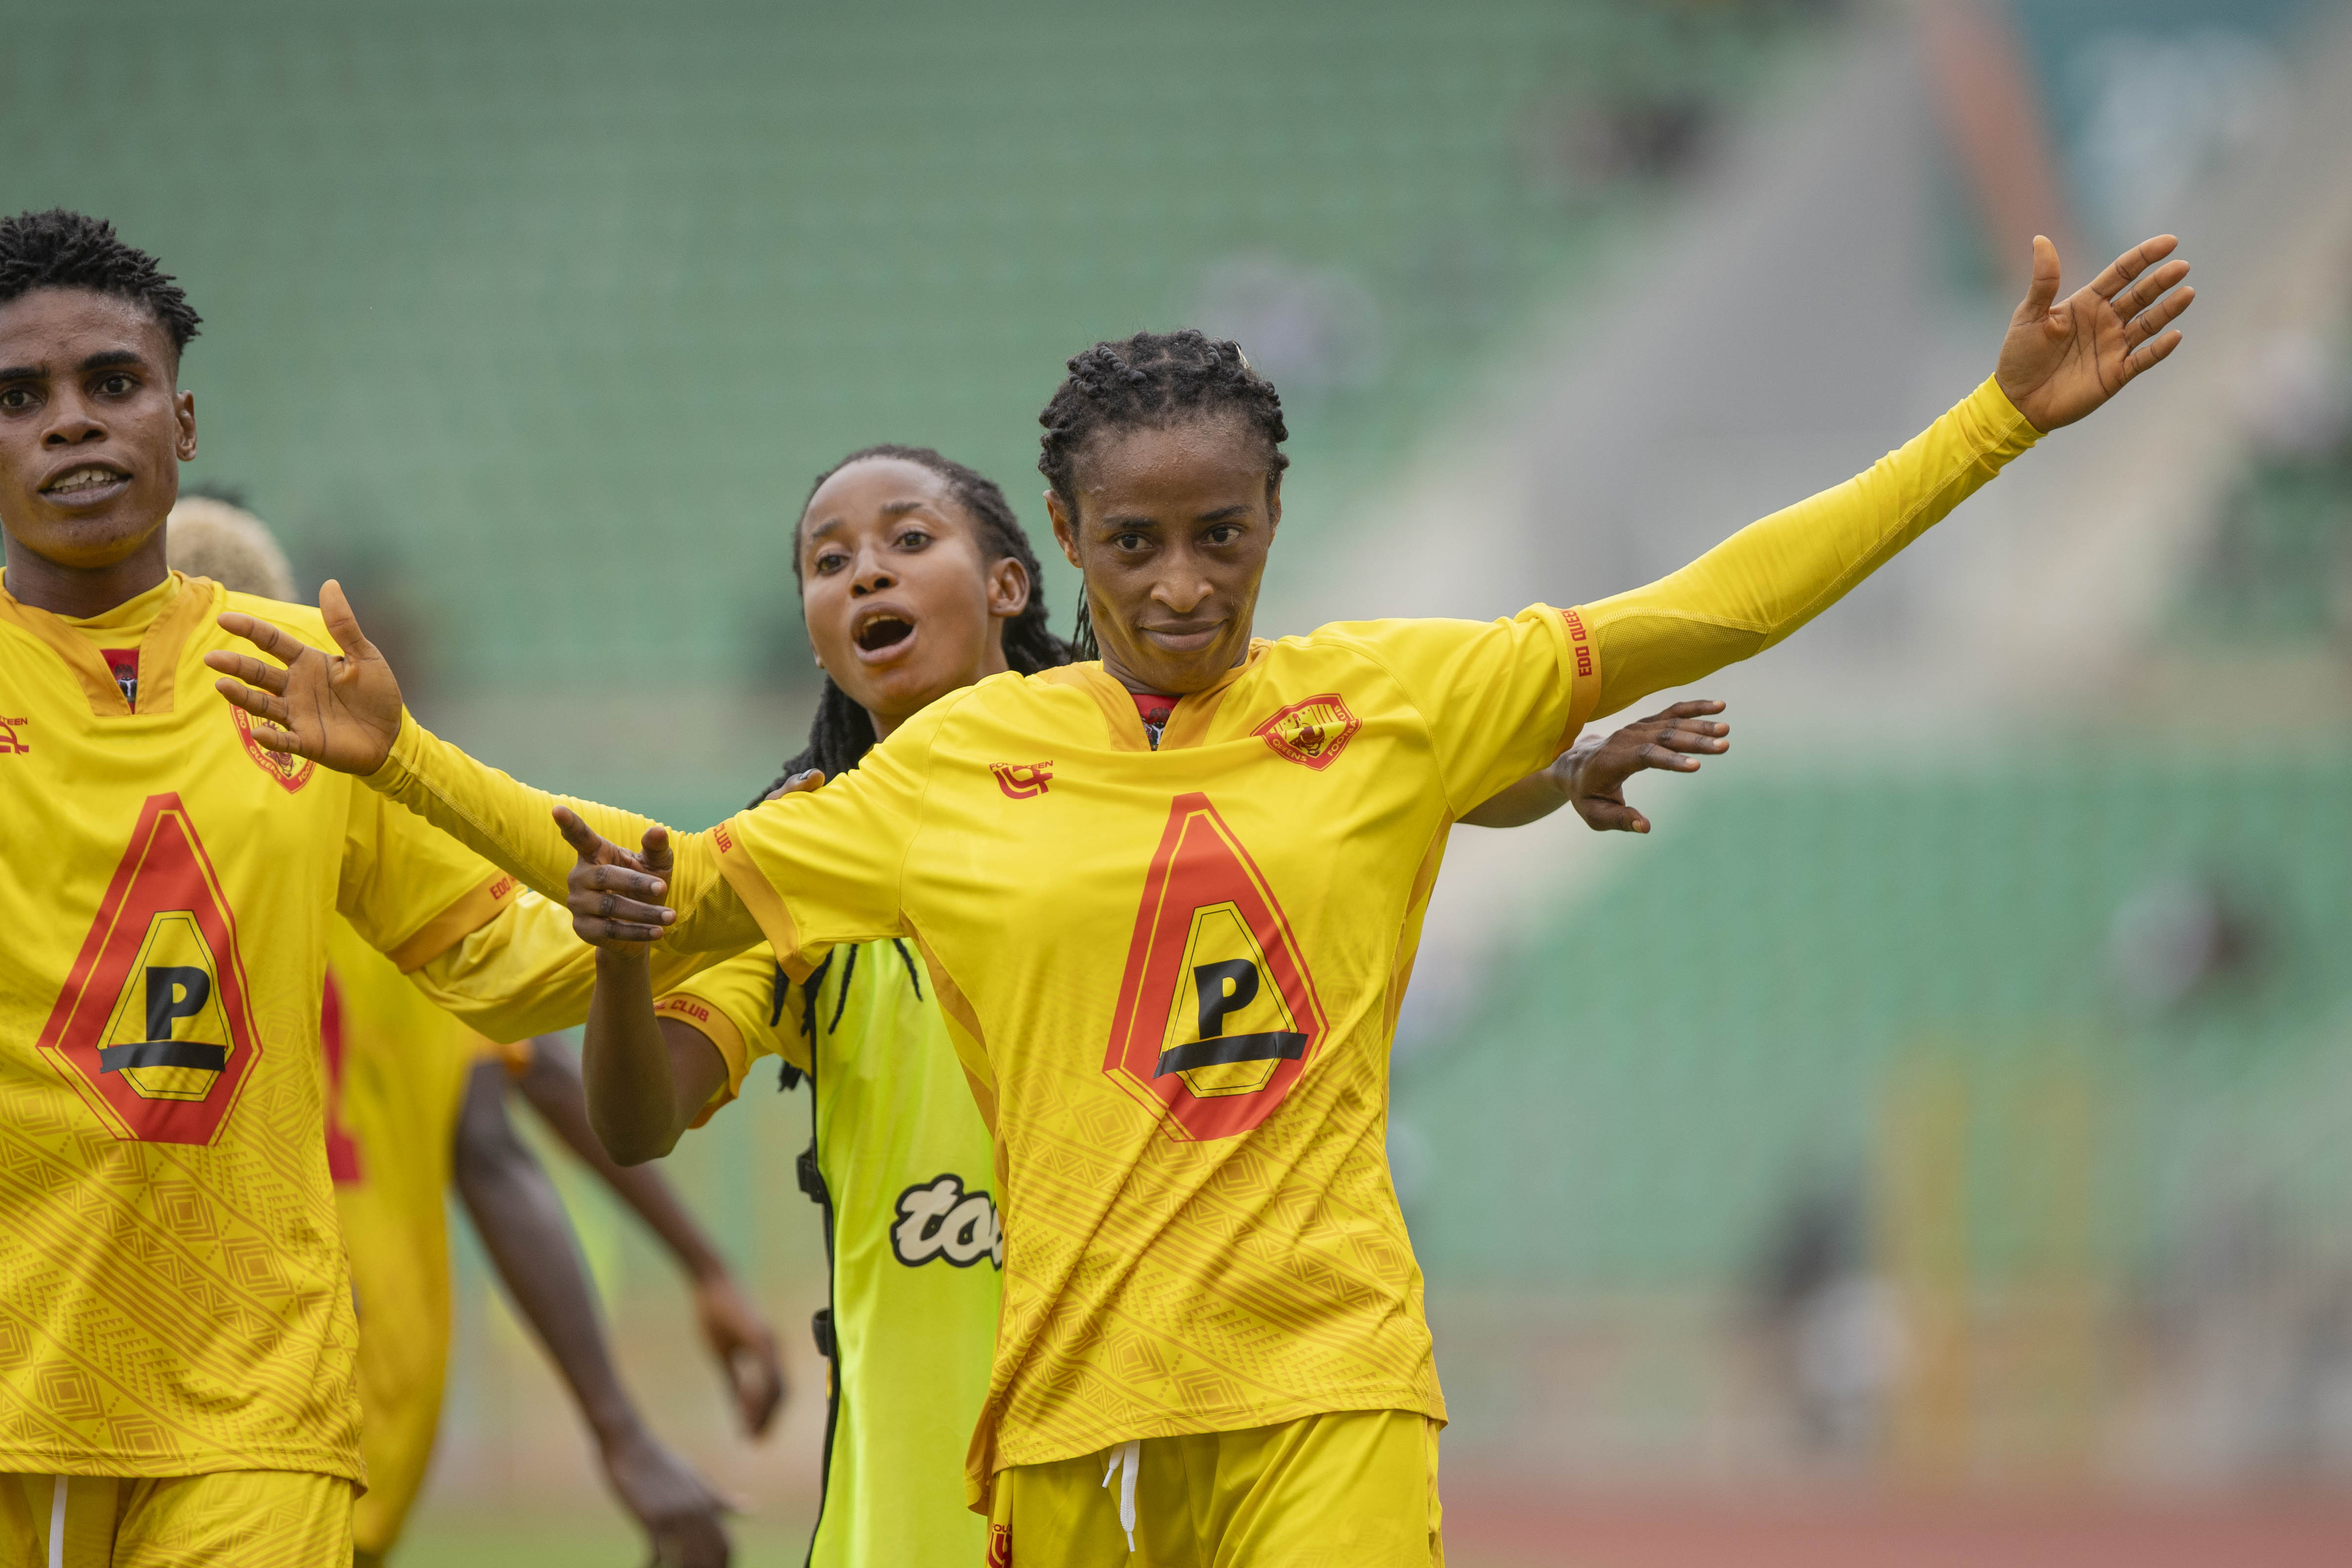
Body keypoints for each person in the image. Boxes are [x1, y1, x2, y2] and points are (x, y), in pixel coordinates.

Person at [212, 230, 2194, 1565]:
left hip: (1329, 1381)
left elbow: (1715, 597)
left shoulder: (1396, 696)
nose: (1180, 580)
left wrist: (1991, 421)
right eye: (1136, 539)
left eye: (1220, 534)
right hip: (1062, 1413)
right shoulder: (938, 778)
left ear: (1272, 521)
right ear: (1062, 540)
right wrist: (410, 765)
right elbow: (664, 885)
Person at [610, 444, 1726, 1567]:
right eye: (829, 560)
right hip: (905, 1512)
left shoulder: (1155, 775)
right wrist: (618, 953)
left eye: (909, 540)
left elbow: (1371, 773)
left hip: (1147, 1445)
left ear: (1011, 579)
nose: (867, 575)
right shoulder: (791, 866)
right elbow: (635, 1116)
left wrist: (1558, 769)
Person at [0, 208, 689, 1565]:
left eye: (113, 384)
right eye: (20, 397)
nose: (71, 423)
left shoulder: (299, 672)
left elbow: (507, 957)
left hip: (256, 1412)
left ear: (182, 425)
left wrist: (626, 934)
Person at [167, 502, 782, 1567]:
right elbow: (501, 1130)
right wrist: (633, 1407)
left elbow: (525, 1091)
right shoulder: (360, 872)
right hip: (336, 1400)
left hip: (175, 1396)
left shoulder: (329, 857)